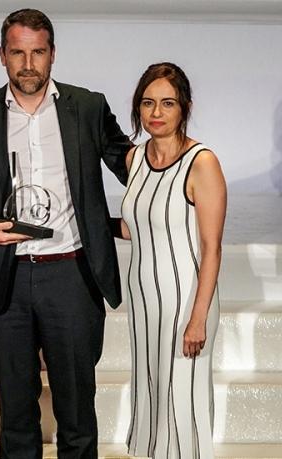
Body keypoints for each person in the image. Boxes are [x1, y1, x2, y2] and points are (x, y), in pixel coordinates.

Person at [0, 8, 133, 459]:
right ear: (2, 56)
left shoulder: (87, 107)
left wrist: (183, 176)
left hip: (70, 276)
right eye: (18, 53)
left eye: (38, 53)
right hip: (6, 280)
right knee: (16, 415)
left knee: (76, 415)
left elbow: (132, 167)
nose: (28, 64)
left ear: (52, 55)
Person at [120, 62, 225, 459]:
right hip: (145, 303)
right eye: (147, 103)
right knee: (151, 399)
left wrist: (198, 318)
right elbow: (135, 228)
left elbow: (211, 247)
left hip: (186, 303)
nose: (156, 113)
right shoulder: (135, 160)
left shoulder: (202, 162)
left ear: (185, 107)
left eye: (167, 103)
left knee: (184, 405)